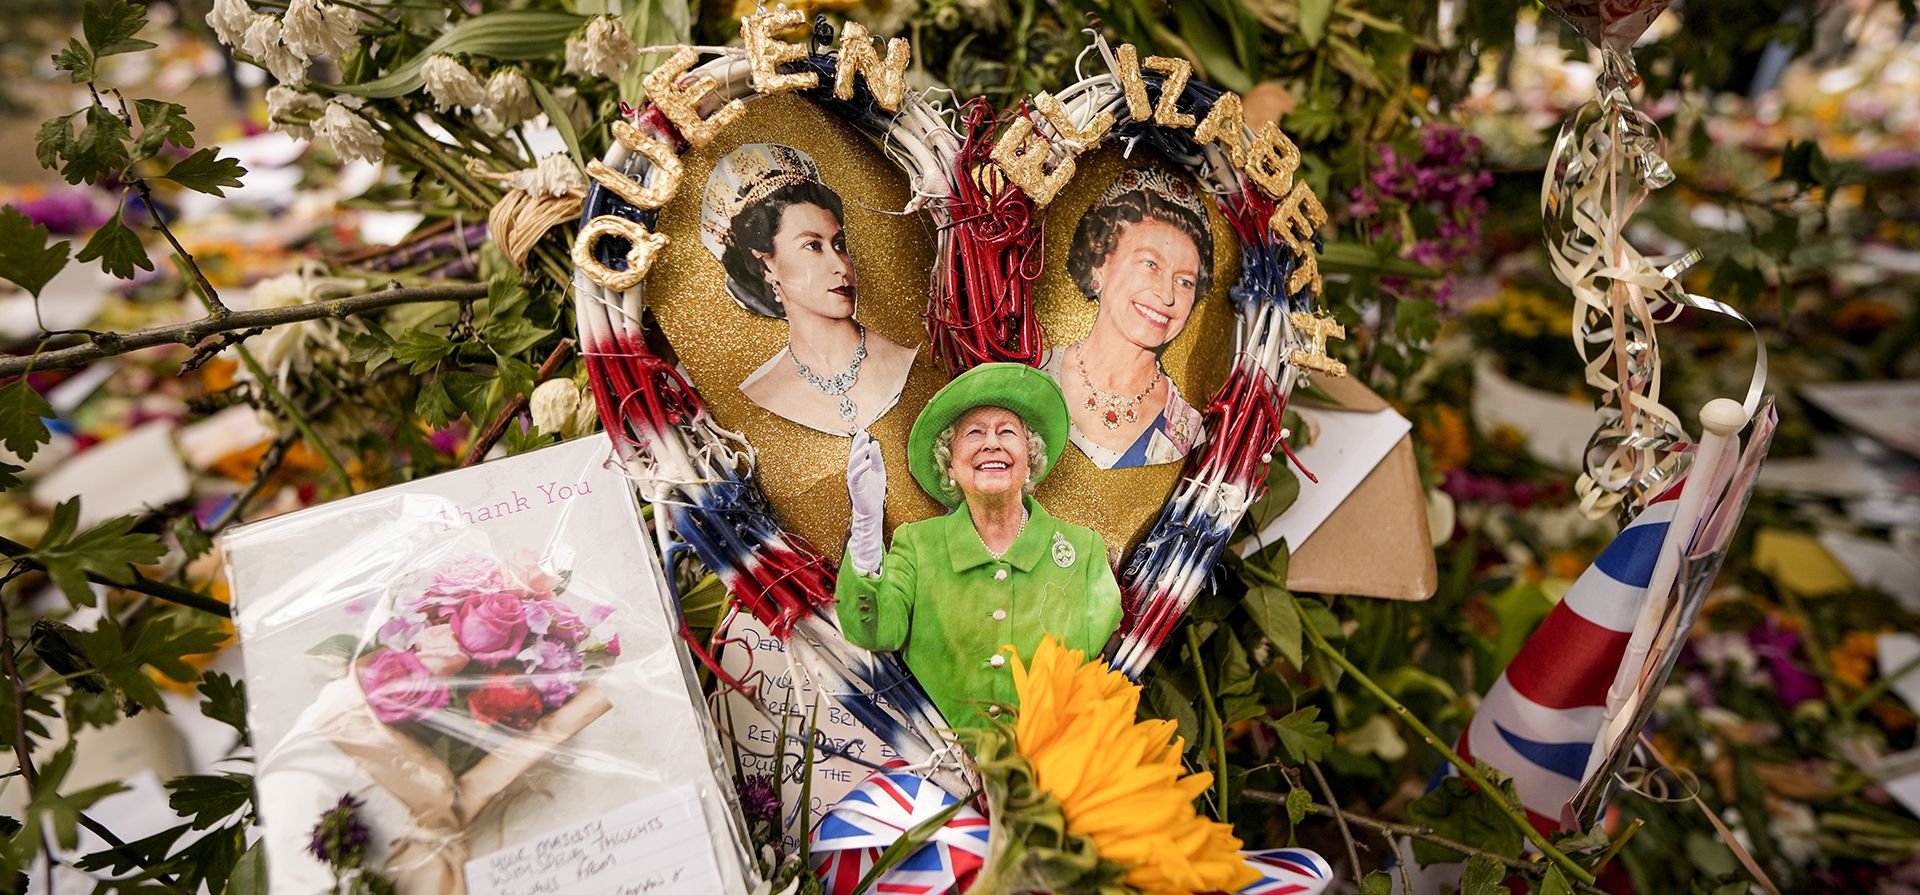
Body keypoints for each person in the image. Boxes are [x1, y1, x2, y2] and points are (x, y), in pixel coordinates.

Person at [836, 363, 1123, 730]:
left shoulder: (1082, 552)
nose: (992, 443)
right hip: (939, 770)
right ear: (950, 465)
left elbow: (1098, 672)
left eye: (1007, 432)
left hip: (1053, 769)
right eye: (974, 433)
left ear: (1030, 460)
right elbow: (873, 632)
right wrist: (866, 524)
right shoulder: (917, 545)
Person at [700, 143, 917, 435]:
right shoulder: (762, 394)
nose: (840, 266)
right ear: (766, 266)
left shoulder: (902, 360)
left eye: (839, 245)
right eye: (813, 246)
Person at [1041, 166, 1212, 469]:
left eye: (1185, 282)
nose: (1167, 296)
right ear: (1099, 262)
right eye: (1150, 264)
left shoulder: (1185, 430)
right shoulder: (1033, 371)